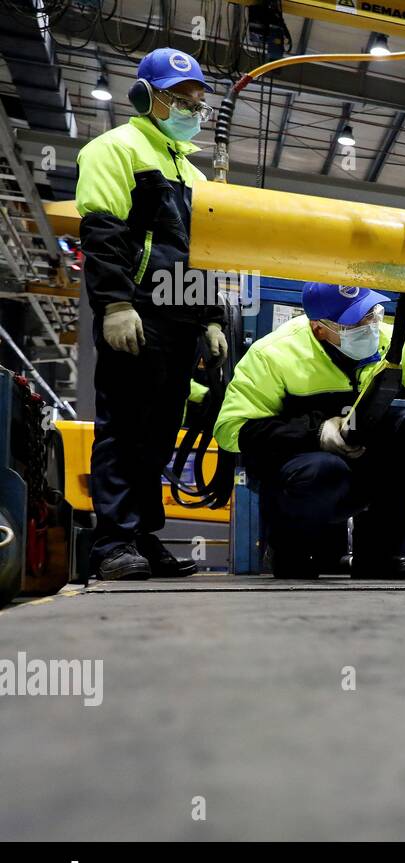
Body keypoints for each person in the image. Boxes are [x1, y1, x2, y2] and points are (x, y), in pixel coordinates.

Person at [214, 283, 405, 579]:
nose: (370, 326)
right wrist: (316, 432)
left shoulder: (391, 340)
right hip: (301, 469)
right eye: (355, 322)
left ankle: (376, 555)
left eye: (372, 313)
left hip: (360, 456)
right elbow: (232, 430)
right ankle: (291, 551)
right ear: (319, 328)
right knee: (325, 469)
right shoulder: (272, 355)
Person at [76, 47, 227, 580]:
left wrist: (209, 317)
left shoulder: (194, 173)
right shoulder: (114, 149)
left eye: (196, 102)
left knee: (160, 433)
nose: (190, 109)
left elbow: (203, 253)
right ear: (145, 97)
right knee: (123, 430)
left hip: (178, 318)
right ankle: (113, 543)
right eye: (178, 99)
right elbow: (103, 232)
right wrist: (115, 304)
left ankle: (142, 537)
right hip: (136, 313)